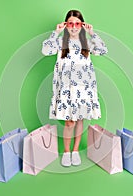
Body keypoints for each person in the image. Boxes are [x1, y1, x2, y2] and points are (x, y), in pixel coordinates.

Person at [42, 10, 108, 167]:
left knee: (80, 119)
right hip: (66, 89)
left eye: (77, 24)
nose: (74, 27)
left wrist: (92, 33)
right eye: (70, 23)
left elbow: (103, 50)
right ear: (66, 25)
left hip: (84, 89)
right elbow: (45, 50)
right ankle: (66, 151)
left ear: (82, 25)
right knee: (69, 122)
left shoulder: (86, 43)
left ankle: (75, 150)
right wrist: (55, 32)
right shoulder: (60, 43)